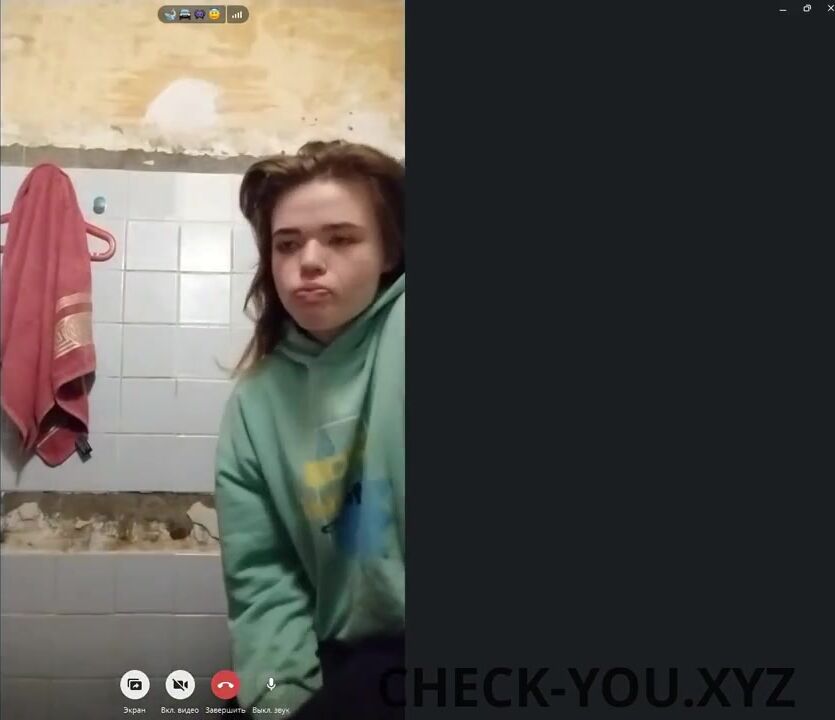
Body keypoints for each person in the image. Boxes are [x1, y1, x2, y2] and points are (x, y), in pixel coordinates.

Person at [214, 140, 406, 718]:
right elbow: (264, 580)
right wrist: (281, 705)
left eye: (342, 239)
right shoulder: (255, 402)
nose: (310, 261)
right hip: (343, 659)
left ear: (391, 252)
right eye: (287, 244)